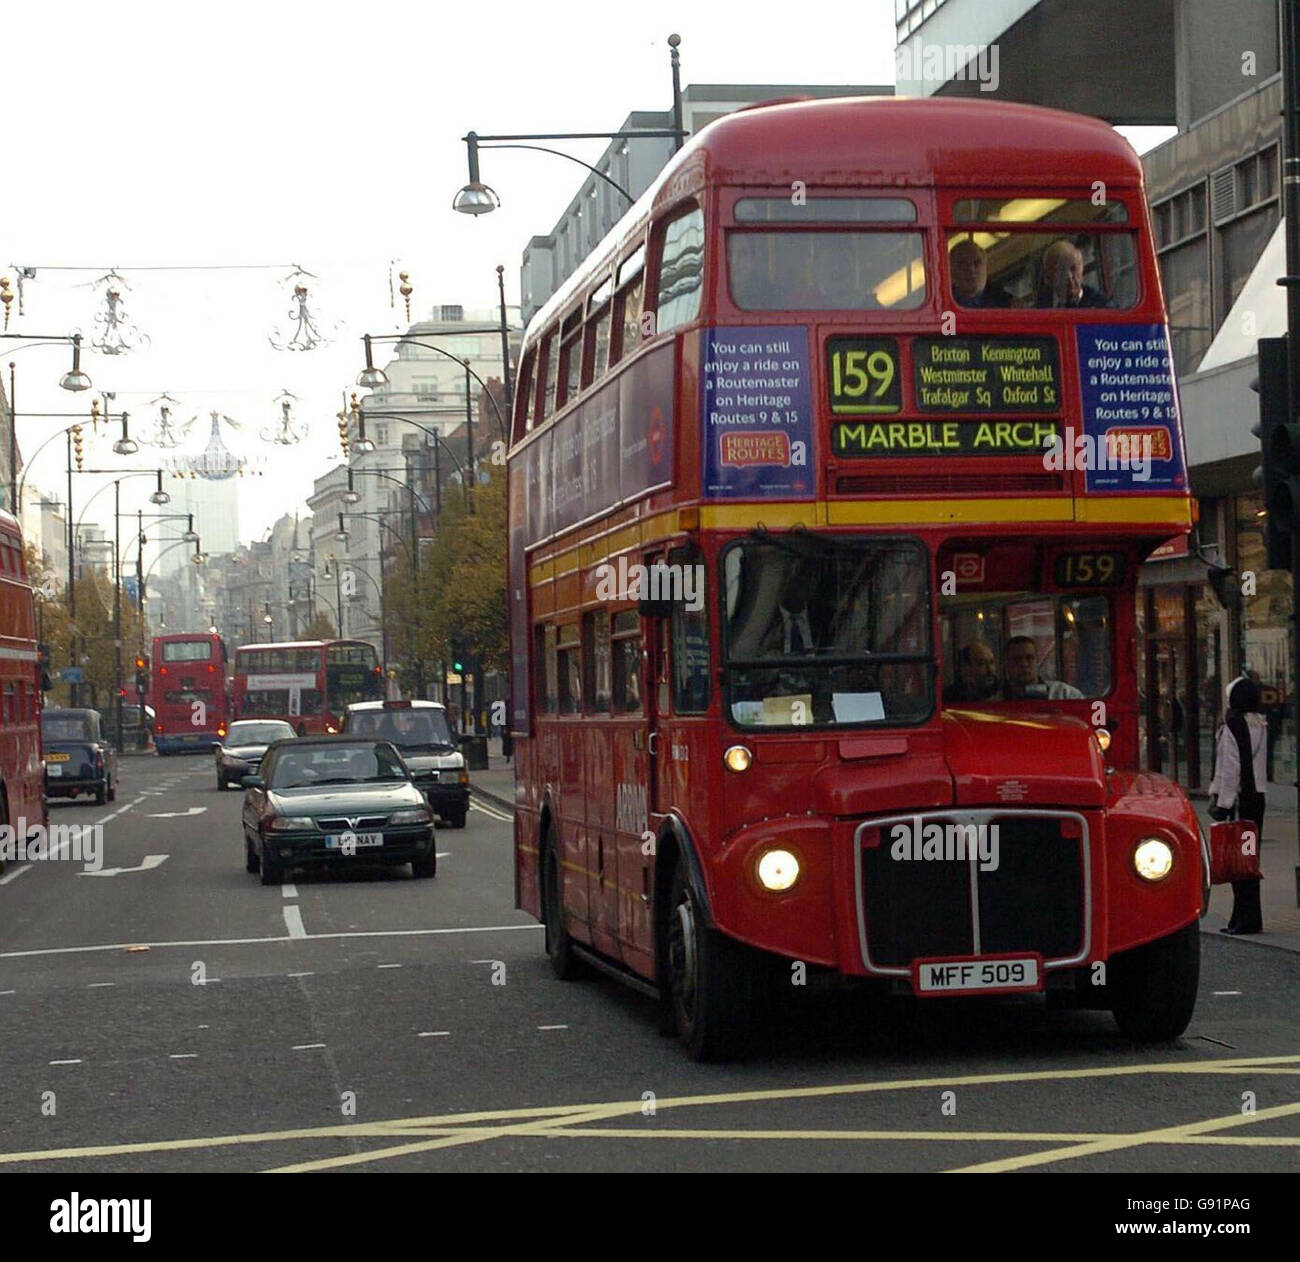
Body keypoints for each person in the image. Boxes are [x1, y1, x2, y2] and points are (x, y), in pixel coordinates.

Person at [1208, 675, 1266, 935]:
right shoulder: (1261, 724)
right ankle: (1250, 917)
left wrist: (1222, 801)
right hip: (1258, 799)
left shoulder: (1232, 724)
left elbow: (1229, 767)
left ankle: (1242, 919)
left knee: (1237, 860)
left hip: (1240, 799)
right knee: (1250, 859)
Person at [1002, 635, 1083, 699]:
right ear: (1006, 664)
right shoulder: (996, 701)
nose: (1024, 664)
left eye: (1030, 658)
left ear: (1037, 661)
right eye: (1017, 660)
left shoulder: (1064, 694)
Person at [1036, 240, 1110, 308]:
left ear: (1081, 269)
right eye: (1061, 271)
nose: (1069, 277)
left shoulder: (1103, 307)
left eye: (1073, 268)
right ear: (1048, 277)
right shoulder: (1039, 310)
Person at [948, 238, 1013, 308]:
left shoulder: (1009, 304)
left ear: (986, 268)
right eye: (963, 264)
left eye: (977, 263)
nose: (971, 270)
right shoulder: (942, 303)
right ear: (951, 271)